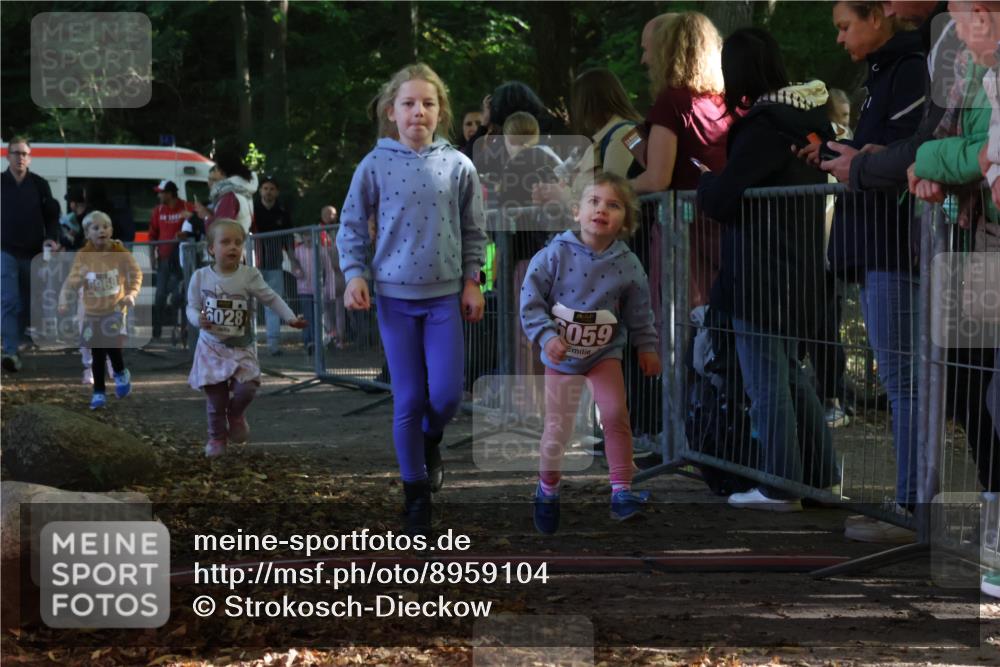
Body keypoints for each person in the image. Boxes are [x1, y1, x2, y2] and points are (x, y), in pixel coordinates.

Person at [336, 63, 488, 535]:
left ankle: (431, 440)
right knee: (408, 397)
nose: (417, 111)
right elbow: (352, 225)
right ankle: (416, 497)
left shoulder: (459, 165)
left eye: (427, 103)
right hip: (393, 298)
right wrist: (353, 274)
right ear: (391, 112)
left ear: (440, 111)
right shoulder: (374, 163)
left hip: (444, 296)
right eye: (408, 103)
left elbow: (473, 230)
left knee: (444, 396)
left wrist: (472, 280)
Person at [798, 0, 928, 540]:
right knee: (908, 382)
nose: (839, 39)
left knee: (906, 384)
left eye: (845, 26)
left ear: (880, 17)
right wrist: (844, 153)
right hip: (882, 244)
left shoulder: (910, 68)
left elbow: (912, 150)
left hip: (893, 245)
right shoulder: (888, 71)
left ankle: (915, 508)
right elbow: (891, 150)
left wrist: (863, 162)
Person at [697, 27, 841, 511]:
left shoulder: (762, 125)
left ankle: (782, 486)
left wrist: (705, 184)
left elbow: (723, 197)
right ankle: (821, 478)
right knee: (792, 378)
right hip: (797, 270)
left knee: (768, 384)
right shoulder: (808, 119)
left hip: (759, 273)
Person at [520, 173, 661, 533]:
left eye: (613, 205)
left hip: (604, 354)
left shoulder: (627, 264)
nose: (601, 210)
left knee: (615, 414)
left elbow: (640, 311)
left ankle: (622, 490)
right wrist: (546, 336)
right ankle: (548, 488)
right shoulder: (554, 254)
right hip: (561, 357)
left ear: (625, 221)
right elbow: (531, 302)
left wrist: (647, 347)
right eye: (594, 202)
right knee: (559, 429)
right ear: (576, 212)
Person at [186, 219, 306, 458]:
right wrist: (197, 319)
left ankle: (237, 415)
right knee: (216, 398)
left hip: (242, 346)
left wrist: (290, 318)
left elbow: (271, 298)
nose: (233, 247)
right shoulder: (200, 277)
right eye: (226, 242)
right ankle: (217, 437)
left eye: (238, 243)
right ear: (211, 248)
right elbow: (191, 307)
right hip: (211, 347)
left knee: (247, 389)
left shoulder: (249, 275)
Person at [57, 211, 141, 409]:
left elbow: (135, 273)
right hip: (92, 312)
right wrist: (70, 292)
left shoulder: (119, 252)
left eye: (105, 226)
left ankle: (120, 374)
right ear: (87, 233)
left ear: (111, 230)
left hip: (114, 309)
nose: (101, 231)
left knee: (111, 347)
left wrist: (131, 293)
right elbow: (73, 280)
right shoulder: (84, 255)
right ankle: (99, 393)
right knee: (97, 353)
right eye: (96, 228)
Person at [1, 137, 60, 372]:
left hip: (33, 253)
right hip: (5, 251)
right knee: (9, 300)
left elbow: (52, 215)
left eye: (25, 154)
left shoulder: (39, 184)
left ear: (30, 157)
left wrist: (52, 237)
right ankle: (10, 350)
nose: (20, 158)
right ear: (7, 156)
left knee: (27, 301)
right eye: (16, 153)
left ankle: (21, 340)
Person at [252, 175, 300, 356]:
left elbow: (288, 240)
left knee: (273, 303)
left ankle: (273, 345)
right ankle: (246, 344)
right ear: (260, 190)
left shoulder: (282, 212)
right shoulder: (252, 210)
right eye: (265, 188)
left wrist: (294, 261)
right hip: (253, 264)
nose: (268, 192)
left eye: (272, 188)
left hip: (274, 264)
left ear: (277, 192)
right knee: (248, 304)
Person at [149, 180, 195, 342]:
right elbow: (152, 236)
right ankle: (156, 331)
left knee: (181, 295)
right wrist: (152, 257)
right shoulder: (158, 210)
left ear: (169, 193)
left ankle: (184, 332)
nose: (158, 195)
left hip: (182, 261)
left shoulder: (188, 207)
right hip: (163, 260)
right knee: (160, 296)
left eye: (161, 192)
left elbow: (197, 227)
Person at [292, 229, 336, 357]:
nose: (308, 239)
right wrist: (297, 272)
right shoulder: (298, 251)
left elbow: (329, 270)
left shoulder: (321, 250)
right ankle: (309, 342)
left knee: (319, 317)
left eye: (310, 236)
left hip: (318, 290)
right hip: (303, 289)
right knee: (307, 316)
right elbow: (294, 267)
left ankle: (319, 342)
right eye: (305, 236)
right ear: (302, 237)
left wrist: (330, 290)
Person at [208, 150, 257, 233]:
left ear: (222, 171)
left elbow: (221, 230)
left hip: (232, 244)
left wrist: (206, 217)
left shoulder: (229, 195)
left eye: (216, 168)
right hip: (240, 243)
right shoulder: (243, 190)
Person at [320, 205, 347, 348]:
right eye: (328, 214)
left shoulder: (340, 230)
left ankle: (340, 338)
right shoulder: (320, 232)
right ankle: (332, 335)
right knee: (327, 308)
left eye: (333, 214)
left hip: (339, 277)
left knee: (339, 309)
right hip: (327, 278)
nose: (331, 217)